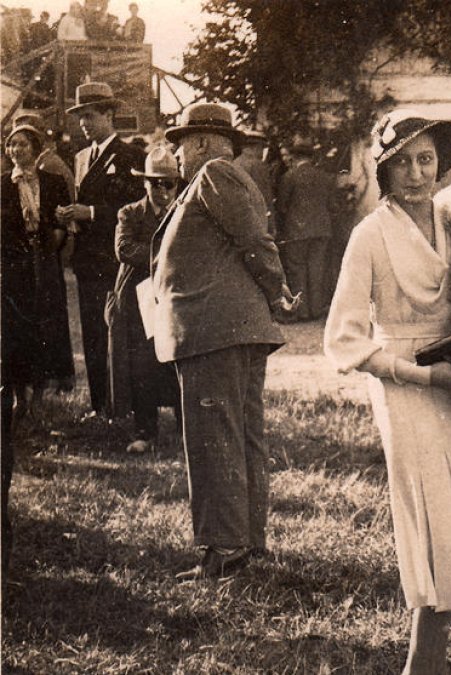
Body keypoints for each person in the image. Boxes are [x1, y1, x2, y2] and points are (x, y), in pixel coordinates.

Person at [324, 109, 451, 674]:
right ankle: (419, 667)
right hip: (407, 388)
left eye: (426, 159)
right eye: (401, 162)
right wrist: (423, 375)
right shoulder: (369, 235)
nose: (417, 173)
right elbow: (344, 339)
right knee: (432, 519)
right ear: (384, 170)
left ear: (441, 165)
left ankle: (429, 662)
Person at [151, 102, 294, 581]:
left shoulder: (214, 173)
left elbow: (254, 238)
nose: (177, 154)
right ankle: (246, 543)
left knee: (216, 440)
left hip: (214, 332)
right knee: (239, 436)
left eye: (182, 143)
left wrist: (276, 288)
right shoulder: (211, 179)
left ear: (206, 143)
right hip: (225, 330)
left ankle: (225, 552)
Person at [58, 81, 144, 419]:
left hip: (115, 260)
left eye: (90, 115)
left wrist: (91, 213)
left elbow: (135, 209)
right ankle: (99, 404)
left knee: (119, 332)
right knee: (92, 333)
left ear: (109, 114)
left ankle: (124, 404)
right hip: (86, 260)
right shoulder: (81, 158)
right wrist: (70, 215)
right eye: (80, 117)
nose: (83, 123)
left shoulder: (130, 156)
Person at [107, 146, 181, 454]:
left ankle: (184, 428)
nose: (162, 191)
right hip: (138, 299)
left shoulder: (183, 214)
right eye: (155, 183)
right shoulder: (130, 213)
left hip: (172, 296)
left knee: (177, 360)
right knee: (141, 365)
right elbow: (124, 249)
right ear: (144, 184)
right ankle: (144, 430)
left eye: (168, 184)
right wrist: (168, 259)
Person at [2, 124, 74, 430]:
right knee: (16, 328)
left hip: (45, 262)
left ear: (35, 147)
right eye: (11, 145)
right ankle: (19, 395)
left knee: (46, 324)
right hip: (14, 267)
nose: (16, 150)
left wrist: (49, 244)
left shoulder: (54, 181)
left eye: (22, 145)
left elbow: (63, 222)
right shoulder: (3, 184)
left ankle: (39, 398)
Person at [277, 140, 338, 320]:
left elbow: (282, 205)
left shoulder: (290, 176)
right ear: (311, 158)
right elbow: (333, 205)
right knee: (317, 269)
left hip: (296, 231)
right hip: (322, 231)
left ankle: (301, 311)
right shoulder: (325, 177)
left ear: (295, 158)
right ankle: (316, 311)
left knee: (297, 269)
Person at [233, 129, 277, 238]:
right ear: (255, 147)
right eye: (262, 149)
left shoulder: (233, 163)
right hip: (255, 220)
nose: (262, 153)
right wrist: (271, 225)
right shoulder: (258, 165)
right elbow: (264, 196)